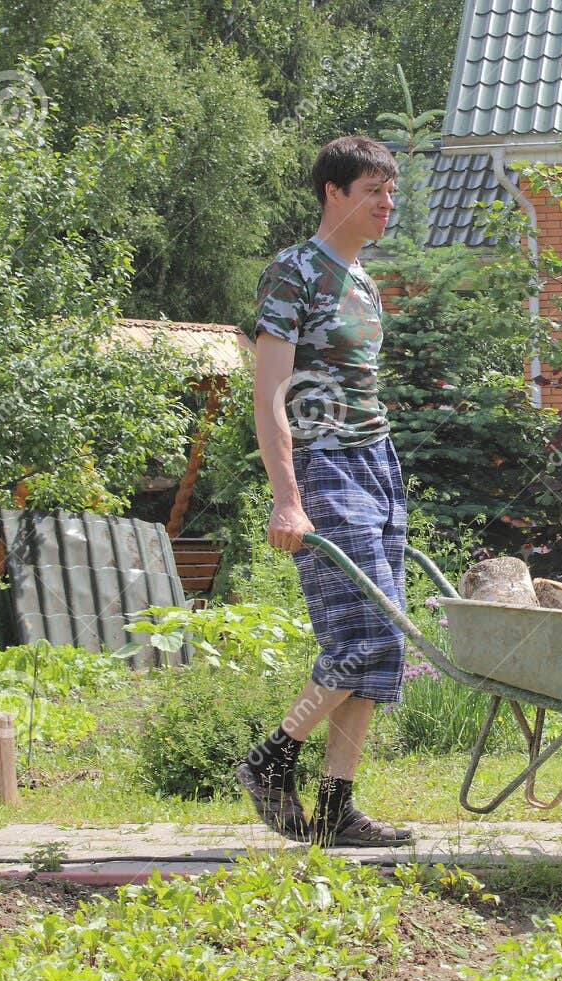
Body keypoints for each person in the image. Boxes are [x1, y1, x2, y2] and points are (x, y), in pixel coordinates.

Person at [235, 135, 413, 848]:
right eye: (373, 189)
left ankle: (336, 808)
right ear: (333, 193)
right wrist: (287, 496)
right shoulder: (294, 273)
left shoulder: (364, 281)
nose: (387, 203)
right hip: (324, 468)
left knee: (385, 643)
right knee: (360, 637)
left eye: (391, 191)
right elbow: (268, 394)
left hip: (378, 464)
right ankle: (271, 757)